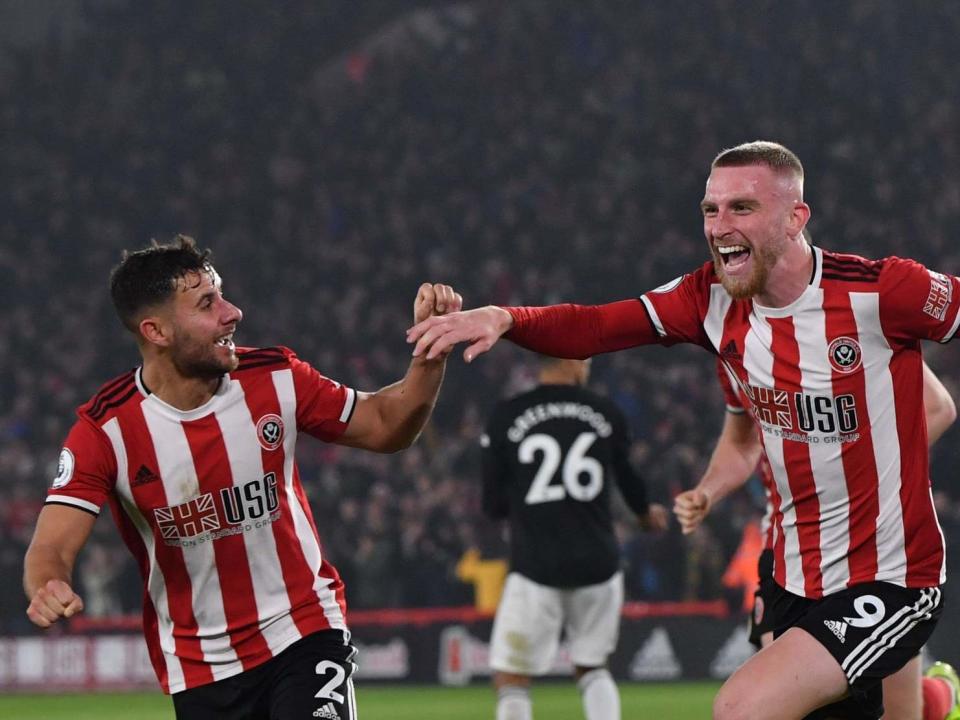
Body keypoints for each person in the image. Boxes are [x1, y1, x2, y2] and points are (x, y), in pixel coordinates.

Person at [407, 141, 956, 720]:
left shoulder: (881, 292)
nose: (720, 226)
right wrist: (506, 318)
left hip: (891, 579)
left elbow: (940, 397)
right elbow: (596, 326)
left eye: (741, 208)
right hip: (790, 577)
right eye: (710, 210)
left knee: (743, 709)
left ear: (796, 218)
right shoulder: (710, 300)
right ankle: (936, 700)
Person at [24, 235, 461, 720]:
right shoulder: (104, 431)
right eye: (208, 303)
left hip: (302, 630)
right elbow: (51, 549)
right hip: (201, 666)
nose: (233, 313)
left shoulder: (275, 377)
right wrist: (48, 584)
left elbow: (386, 425)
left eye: (222, 295)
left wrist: (429, 354)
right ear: (157, 330)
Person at [674, 356, 960, 720]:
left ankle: (938, 697)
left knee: (901, 714)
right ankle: (938, 698)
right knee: (782, 703)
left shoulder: (855, 319)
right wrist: (708, 491)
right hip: (788, 560)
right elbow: (742, 444)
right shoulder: (734, 342)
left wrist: (855, 479)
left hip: (877, 553)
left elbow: (938, 408)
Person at [481, 356, 667, 720]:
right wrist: (646, 514)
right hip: (598, 561)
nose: (588, 366)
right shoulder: (604, 412)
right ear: (571, 361)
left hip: (537, 562)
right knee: (593, 667)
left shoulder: (506, 415)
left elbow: (492, 503)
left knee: (512, 677)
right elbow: (628, 480)